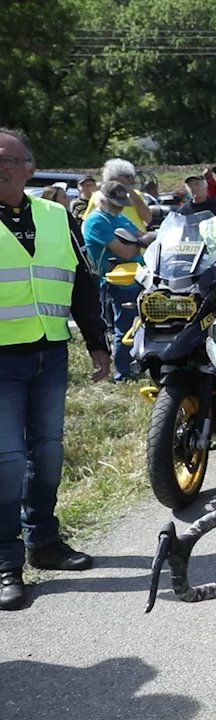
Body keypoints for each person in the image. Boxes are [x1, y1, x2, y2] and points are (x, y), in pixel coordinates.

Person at [0, 128, 111, 611]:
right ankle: (6, 563)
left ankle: (43, 542)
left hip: (49, 352)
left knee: (46, 454)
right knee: (6, 463)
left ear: (29, 166)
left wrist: (98, 344)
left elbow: (82, 285)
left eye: (8, 158)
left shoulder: (56, 216)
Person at [83, 181, 153, 382]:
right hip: (117, 280)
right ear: (102, 199)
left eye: (122, 204)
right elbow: (125, 251)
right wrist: (140, 242)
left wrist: (139, 241)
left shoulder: (117, 217)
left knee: (139, 322)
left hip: (137, 276)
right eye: (115, 204)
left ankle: (137, 364)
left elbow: (140, 235)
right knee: (125, 325)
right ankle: (124, 372)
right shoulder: (97, 221)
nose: (120, 208)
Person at [79, 158, 153, 232]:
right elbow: (87, 222)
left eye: (131, 176)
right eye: (127, 176)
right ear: (113, 176)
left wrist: (133, 194)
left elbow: (148, 218)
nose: (130, 179)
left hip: (139, 237)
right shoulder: (99, 196)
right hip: (114, 239)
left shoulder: (136, 194)